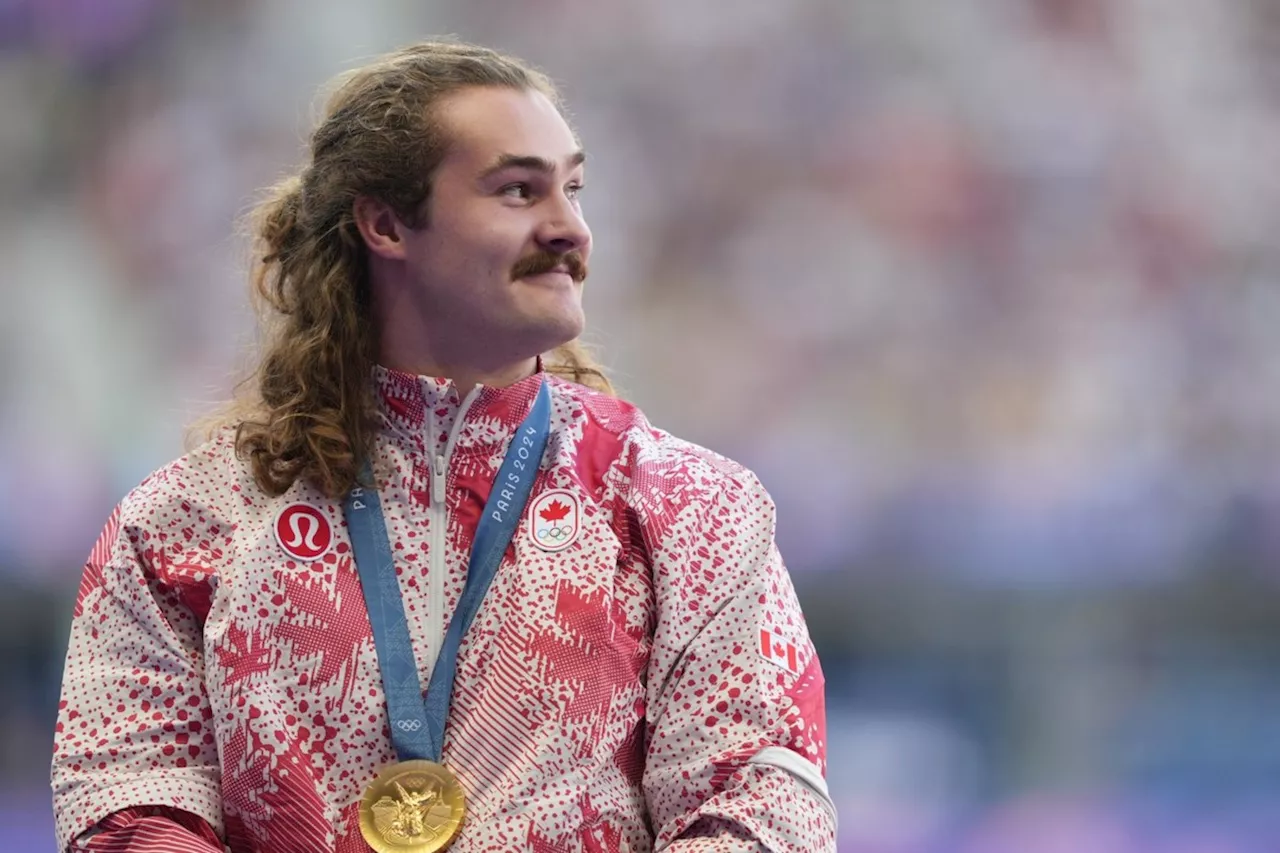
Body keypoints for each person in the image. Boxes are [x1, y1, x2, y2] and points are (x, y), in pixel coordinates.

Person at [51, 40, 835, 853]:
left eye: (572, 188)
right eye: (519, 190)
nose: (571, 229)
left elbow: (757, 805)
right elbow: (130, 808)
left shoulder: (692, 510)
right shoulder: (181, 528)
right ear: (386, 223)